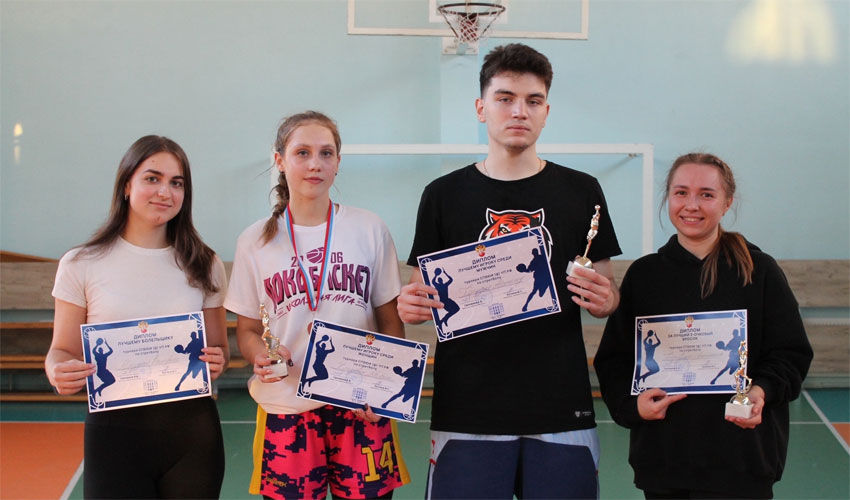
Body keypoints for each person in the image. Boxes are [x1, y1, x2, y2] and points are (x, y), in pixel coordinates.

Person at [397, 43, 622, 498]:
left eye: (533, 101)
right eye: (505, 98)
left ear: (546, 112)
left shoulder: (582, 190)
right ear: (481, 108)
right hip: (468, 410)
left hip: (560, 408)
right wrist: (410, 305)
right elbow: (422, 294)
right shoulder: (442, 194)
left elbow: (606, 288)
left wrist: (607, 301)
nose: (519, 111)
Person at [594, 153, 812, 499]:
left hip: (741, 461)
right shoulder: (645, 276)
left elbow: (790, 354)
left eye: (706, 194)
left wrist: (760, 392)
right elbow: (614, 361)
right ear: (668, 198)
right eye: (681, 192)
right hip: (665, 461)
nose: (691, 205)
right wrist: (632, 406)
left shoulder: (759, 271)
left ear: (727, 203)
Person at [225, 111, 409, 499]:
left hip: (360, 406)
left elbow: (391, 321)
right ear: (279, 160)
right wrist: (260, 355)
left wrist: (384, 388)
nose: (315, 164)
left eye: (326, 153)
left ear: (338, 162)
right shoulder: (254, 241)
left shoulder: (369, 228)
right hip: (286, 406)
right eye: (302, 153)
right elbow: (247, 330)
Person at [45, 135, 229, 498]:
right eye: (152, 178)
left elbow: (219, 348)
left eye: (176, 183)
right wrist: (57, 370)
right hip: (114, 435)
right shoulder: (81, 263)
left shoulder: (204, 263)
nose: (165, 191)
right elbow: (61, 350)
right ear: (126, 185)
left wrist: (217, 360)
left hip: (192, 433)